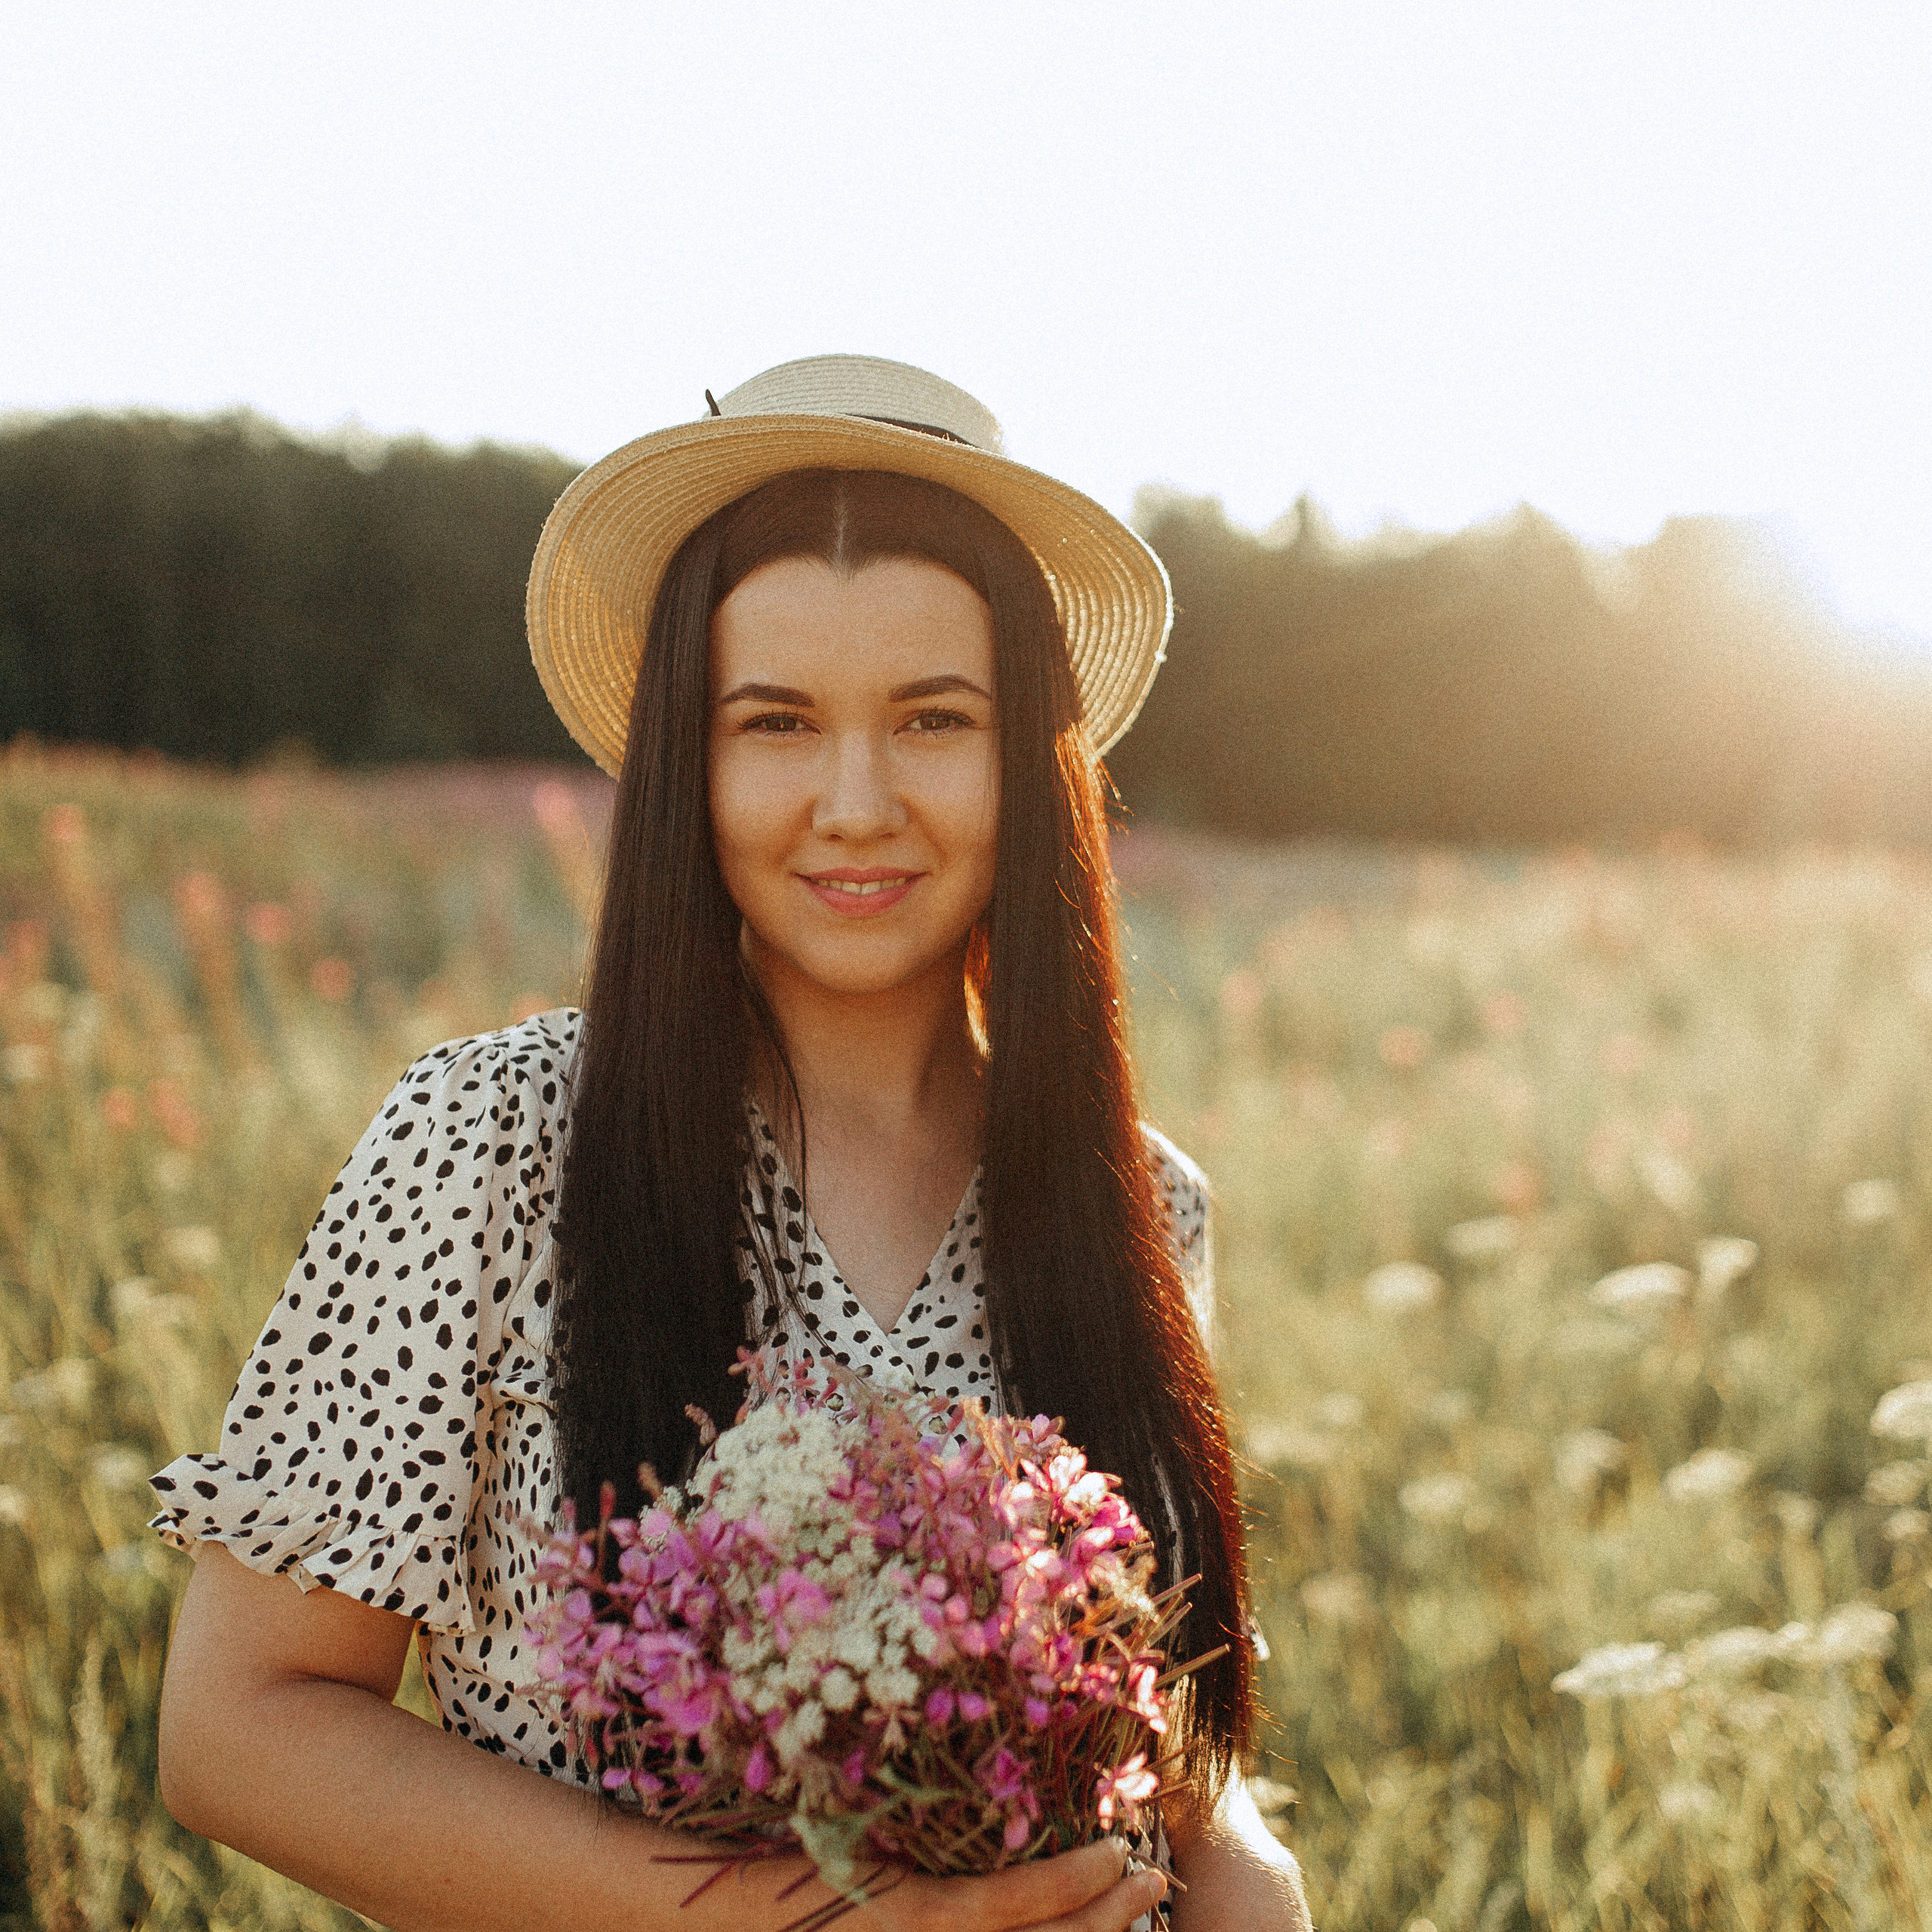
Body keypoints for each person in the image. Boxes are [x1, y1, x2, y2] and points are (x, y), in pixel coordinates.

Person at [151, 355, 1311, 1932]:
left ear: (1031, 754)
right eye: (776, 722)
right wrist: (810, 1916)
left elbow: (1170, 1756)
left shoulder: (1143, 1204)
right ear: (684, 761)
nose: (856, 801)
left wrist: (1255, 1879)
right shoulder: (490, 1140)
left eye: (934, 718)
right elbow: (239, 1727)